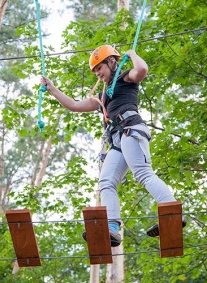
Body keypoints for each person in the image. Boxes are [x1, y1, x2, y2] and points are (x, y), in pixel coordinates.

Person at [41, 45, 184, 247]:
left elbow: (142, 70)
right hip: (118, 140)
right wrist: (52, 89)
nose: (98, 73)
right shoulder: (103, 96)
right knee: (106, 182)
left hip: (131, 130)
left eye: (100, 68)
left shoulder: (125, 78)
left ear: (111, 62)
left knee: (142, 173)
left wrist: (132, 54)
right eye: (95, 71)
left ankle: (171, 210)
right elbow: (74, 105)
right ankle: (113, 228)